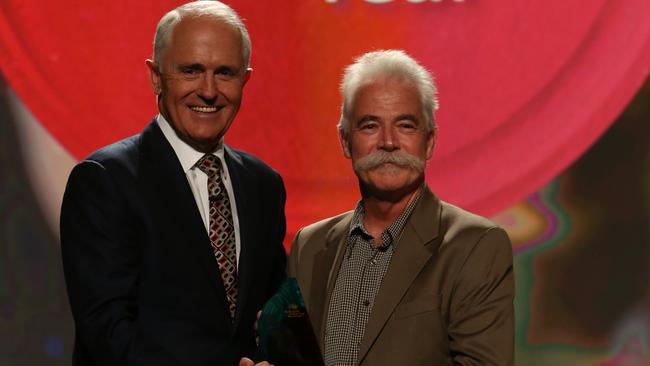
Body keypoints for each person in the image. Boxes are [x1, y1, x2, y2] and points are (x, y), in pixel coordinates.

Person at [60, 1, 287, 365]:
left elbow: (271, 319)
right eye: (191, 71)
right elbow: (108, 333)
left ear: (246, 79)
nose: (209, 91)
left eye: (225, 73)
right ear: (155, 75)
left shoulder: (264, 186)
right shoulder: (105, 181)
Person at [287, 50, 515, 365]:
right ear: (344, 141)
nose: (389, 142)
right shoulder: (308, 246)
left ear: (430, 141)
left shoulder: (476, 245)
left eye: (405, 126)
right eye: (370, 126)